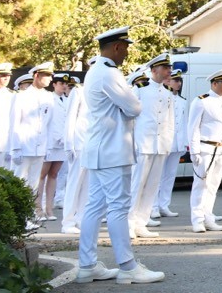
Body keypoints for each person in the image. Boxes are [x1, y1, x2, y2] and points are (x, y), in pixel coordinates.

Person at [76, 26, 165, 284]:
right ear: (116, 47)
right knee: (118, 208)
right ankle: (128, 267)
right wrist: (128, 107)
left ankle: (87, 265)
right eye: (125, 47)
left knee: (94, 207)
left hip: (100, 149)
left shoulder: (96, 71)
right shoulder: (109, 73)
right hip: (113, 150)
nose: (126, 52)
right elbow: (135, 107)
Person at [130, 55, 175, 238]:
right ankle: (129, 223)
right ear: (154, 70)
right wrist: (132, 142)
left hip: (160, 144)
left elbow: (170, 120)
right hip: (143, 143)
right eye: (165, 68)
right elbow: (130, 117)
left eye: (169, 68)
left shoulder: (167, 92)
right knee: (137, 185)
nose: (169, 71)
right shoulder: (140, 89)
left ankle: (141, 223)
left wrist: (168, 142)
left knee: (152, 186)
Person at [187, 68, 222, 233]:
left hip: (221, 149)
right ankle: (197, 220)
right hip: (206, 148)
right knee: (201, 185)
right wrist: (194, 151)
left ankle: (208, 217)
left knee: (213, 186)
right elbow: (193, 127)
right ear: (214, 83)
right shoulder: (201, 101)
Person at [10, 61, 54, 214]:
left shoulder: (49, 97)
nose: (50, 79)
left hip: (40, 146)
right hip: (24, 146)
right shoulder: (22, 96)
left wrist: (48, 147)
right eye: (46, 75)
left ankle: (28, 216)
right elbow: (14, 123)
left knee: (34, 184)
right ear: (36, 75)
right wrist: (15, 147)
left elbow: (49, 124)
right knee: (19, 182)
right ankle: (15, 215)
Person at [61, 64, 94, 234]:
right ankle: (68, 221)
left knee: (88, 185)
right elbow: (70, 118)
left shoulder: (100, 91)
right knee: (74, 184)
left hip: (93, 144)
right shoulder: (79, 91)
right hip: (79, 143)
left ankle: (81, 218)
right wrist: (69, 144)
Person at [153, 68, 188, 220]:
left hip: (177, 142)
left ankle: (164, 205)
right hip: (164, 142)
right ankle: (153, 206)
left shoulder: (182, 101)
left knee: (170, 176)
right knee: (158, 176)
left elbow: (184, 123)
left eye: (180, 80)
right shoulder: (162, 97)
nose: (178, 83)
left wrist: (185, 142)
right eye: (175, 80)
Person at [37, 72, 71, 221]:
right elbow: (46, 122)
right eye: (61, 83)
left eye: (66, 84)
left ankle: (49, 209)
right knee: (42, 175)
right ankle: (38, 208)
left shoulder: (67, 100)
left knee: (54, 175)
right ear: (54, 84)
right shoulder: (48, 99)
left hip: (62, 143)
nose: (64, 86)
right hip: (50, 142)